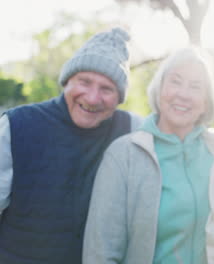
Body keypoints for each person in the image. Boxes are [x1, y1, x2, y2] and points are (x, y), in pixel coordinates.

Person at [0, 28, 141, 264]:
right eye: (84, 82)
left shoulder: (132, 130)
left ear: (119, 97)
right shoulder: (16, 125)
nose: (93, 98)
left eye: (107, 89)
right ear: (67, 81)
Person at [83, 47, 214, 264]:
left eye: (195, 86)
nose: (183, 94)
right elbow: (101, 253)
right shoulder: (124, 155)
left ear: (206, 101)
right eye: (175, 81)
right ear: (160, 90)